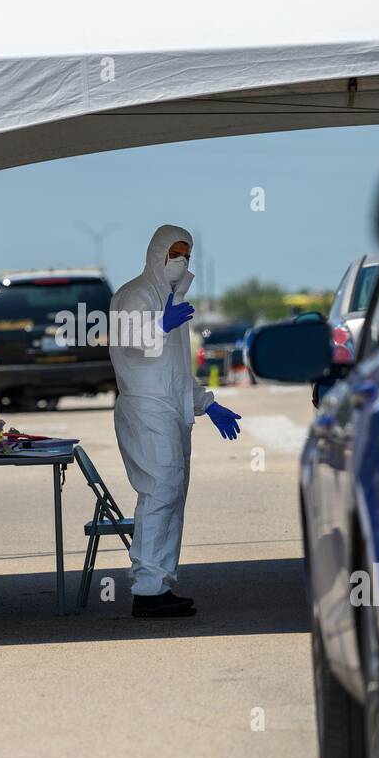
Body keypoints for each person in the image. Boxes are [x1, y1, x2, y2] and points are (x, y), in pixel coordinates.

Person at [108, 224, 242, 618]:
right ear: (157, 254)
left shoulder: (171, 298)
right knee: (160, 492)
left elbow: (177, 372)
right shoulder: (136, 294)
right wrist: (158, 326)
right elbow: (130, 339)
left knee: (172, 497)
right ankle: (147, 590)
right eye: (175, 254)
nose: (182, 261)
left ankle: (160, 585)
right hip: (146, 410)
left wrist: (206, 403)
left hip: (170, 411)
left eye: (187, 254)